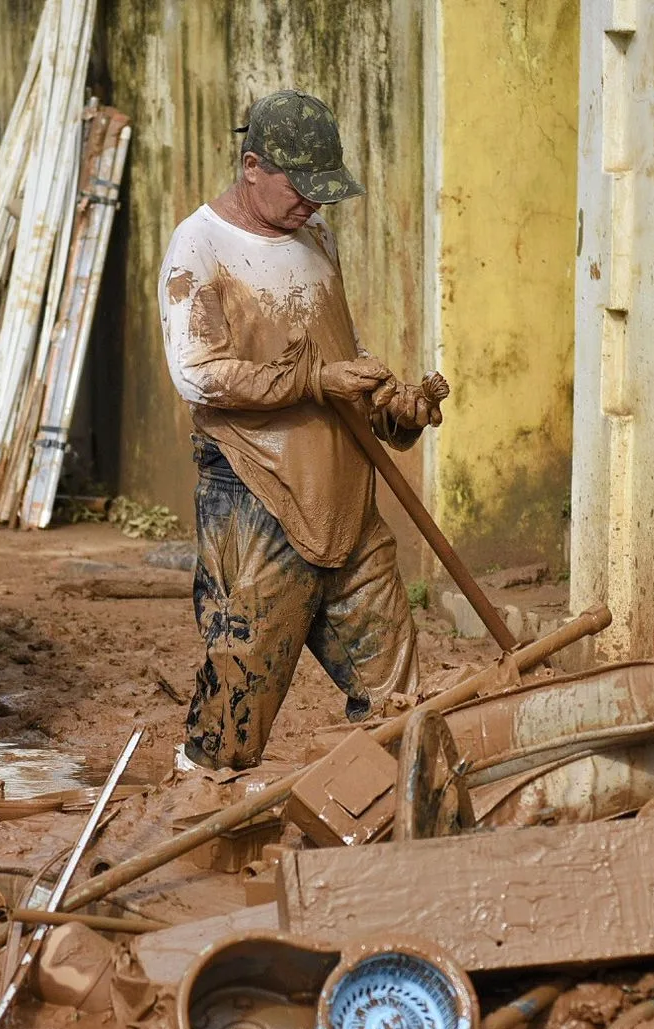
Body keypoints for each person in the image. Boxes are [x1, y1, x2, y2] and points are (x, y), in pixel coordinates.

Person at [157, 89, 444, 770]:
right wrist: (316, 381)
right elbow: (198, 376)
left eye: (324, 188)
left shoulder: (316, 238)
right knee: (237, 706)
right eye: (301, 185)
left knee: (398, 700)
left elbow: (338, 357)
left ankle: (397, 847)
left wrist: (391, 408)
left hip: (346, 489)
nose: (314, 202)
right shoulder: (200, 247)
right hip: (258, 494)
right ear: (252, 165)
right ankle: (204, 832)